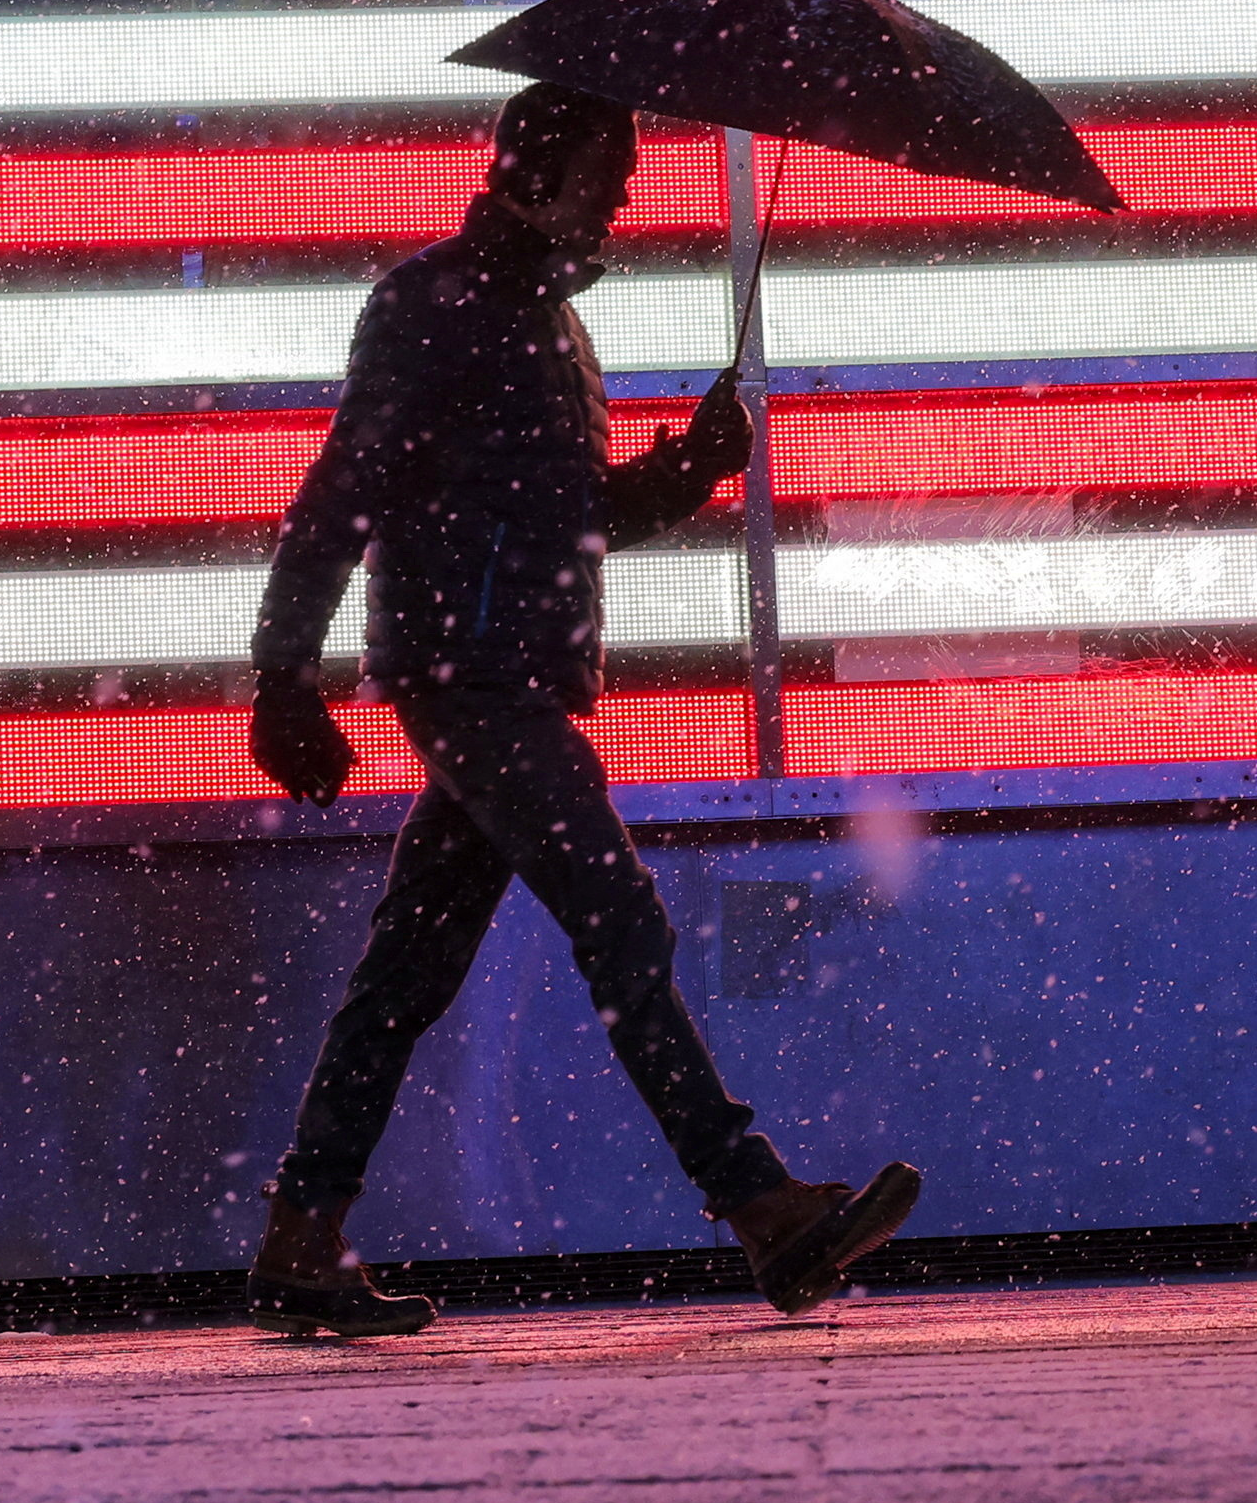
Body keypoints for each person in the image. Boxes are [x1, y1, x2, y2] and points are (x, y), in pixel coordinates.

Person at [241, 83, 922, 1338]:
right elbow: (342, 490)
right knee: (619, 923)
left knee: (405, 975)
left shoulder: (550, 330)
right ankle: (760, 1204)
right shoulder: (432, 308)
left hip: (504, 677)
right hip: (472, 680)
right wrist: (285, 674)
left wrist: (689, 469)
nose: (621, 202)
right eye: (606, 179)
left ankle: (299, 1231)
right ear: (534, 174)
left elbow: (569, 522)